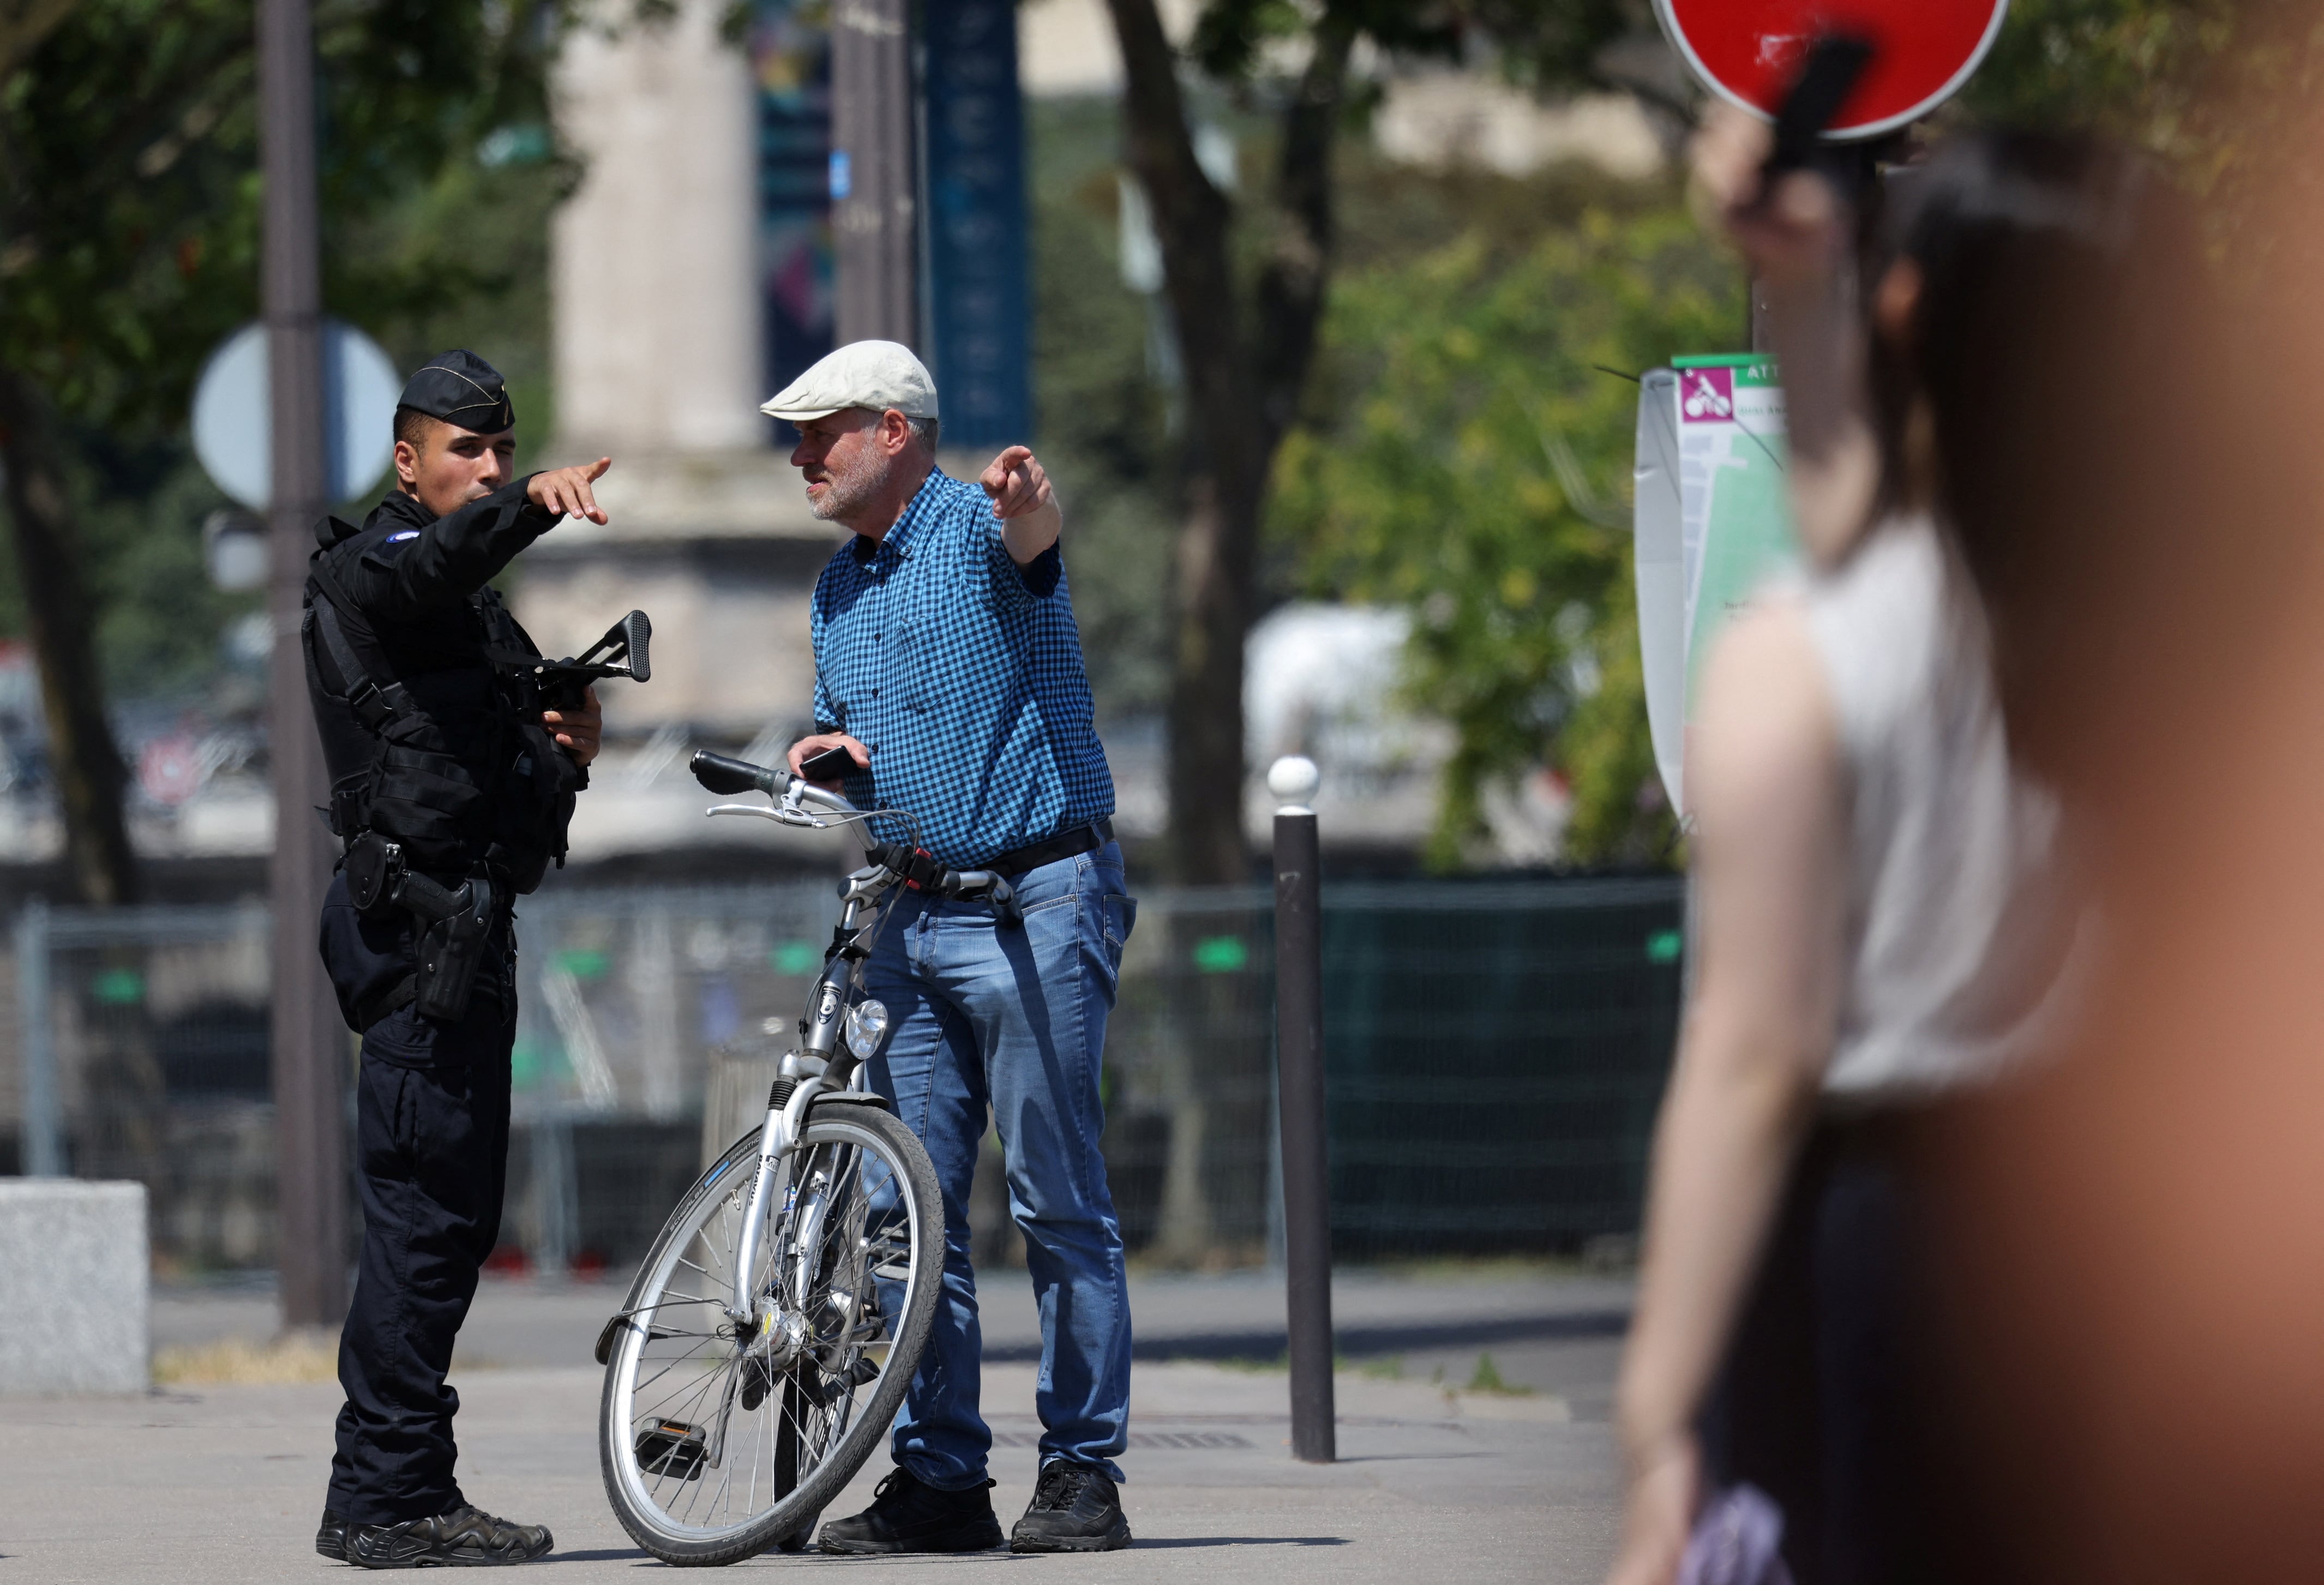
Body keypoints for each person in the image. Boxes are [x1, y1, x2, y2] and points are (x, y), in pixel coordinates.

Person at [1604, 113, 2205, 1585]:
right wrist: (1809, 298)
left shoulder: (1809, 661)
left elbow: (1753, 1055)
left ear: (1912, 307)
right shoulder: (2216, 646)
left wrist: (1657, 1410)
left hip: (1879, 1257)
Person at [762, 340, 1136, 1556]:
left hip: (1039, 896)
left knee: (1056, 1195)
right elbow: (871, 732)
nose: (800, 453)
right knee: (902, 1215)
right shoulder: (836, 590)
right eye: (798, 434)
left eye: (821, 429)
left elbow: (1037, 543)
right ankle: (941, 1479)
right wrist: (842, 756)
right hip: (915, 915)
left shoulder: (982, 528)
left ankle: (1083, 1469)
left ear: (895, 430)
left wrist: (1033, 504)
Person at [308, 350, 614, 1569]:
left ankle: (400, 1486)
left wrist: (570, 745)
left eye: (499, 452)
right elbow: (438, 561)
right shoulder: (372, 570)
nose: (484, 470)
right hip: (418, 944)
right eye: (464, 454)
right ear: (407, 462)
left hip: (470, 937)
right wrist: (530, 502)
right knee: (422, 1223)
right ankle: (386, 1496)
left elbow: (508, 785)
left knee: (447, 1223)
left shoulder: (464, 607)